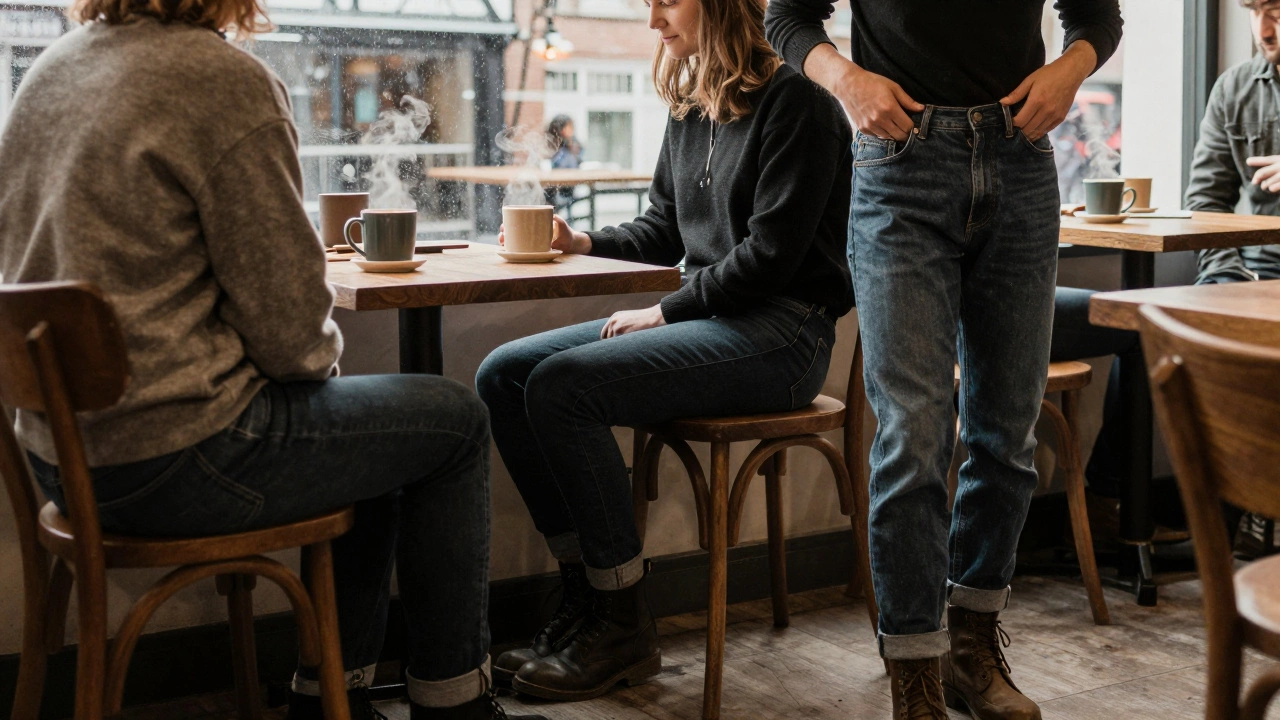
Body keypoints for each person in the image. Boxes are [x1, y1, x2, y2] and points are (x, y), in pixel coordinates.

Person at [0, 2, 543, 719]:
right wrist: (320, 370)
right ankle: (455, 702)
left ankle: (330, 696)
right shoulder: (221, 79)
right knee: (456, 421)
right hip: (178, 456)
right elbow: (291, 334)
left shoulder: (53, 68)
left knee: (380, 438)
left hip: (62, 464)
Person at [475, 0, 853, 702]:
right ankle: (588, 599)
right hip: (717, 321)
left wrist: (666, 310)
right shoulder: (692, 107)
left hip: (785, 334)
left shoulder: (799, 105)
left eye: (666, 3)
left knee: (562, 388)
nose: (652, 22)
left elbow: (770, 257)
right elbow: (661, 231)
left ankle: (620, 620)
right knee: (504, 376)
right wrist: (581, 242)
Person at [763, 1, 1121, 718]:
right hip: (901, 170)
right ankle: (914, 671)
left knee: (1006, 437)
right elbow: (787, 16)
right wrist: (847, 80)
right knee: (914, 439)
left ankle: (970, 649)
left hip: (1020, 161)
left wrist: (1068, 71)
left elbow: (1096, 15)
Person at [1185, 0, 1280, 284]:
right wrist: (1224, 272)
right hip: (1262, 267)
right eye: (1254, 12)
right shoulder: (1234, 89)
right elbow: (1206, 202)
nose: (1262, 31)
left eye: (1275, 14)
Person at [545, 115, 583, 213]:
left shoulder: (572, 146)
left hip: (565, 190)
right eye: (569, 127)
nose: (572, 130)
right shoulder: (552, 145)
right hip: (553, 188)